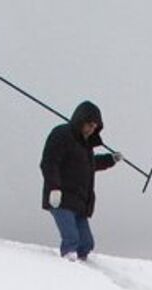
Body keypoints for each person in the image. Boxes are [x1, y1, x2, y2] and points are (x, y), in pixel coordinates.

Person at [40, 100, 121, 261]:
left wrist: (110, 159)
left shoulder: (86, 147)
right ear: (80, 120)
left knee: (86, 244)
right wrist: (54, 188)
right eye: (89, 125)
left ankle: (82, 271)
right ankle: (69, 270)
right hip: (61, 199)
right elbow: (49, 162)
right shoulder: (61, 134)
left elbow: (88, 166)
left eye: (94, 127)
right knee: (72, 240)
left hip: (79, 203)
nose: (91, 129)